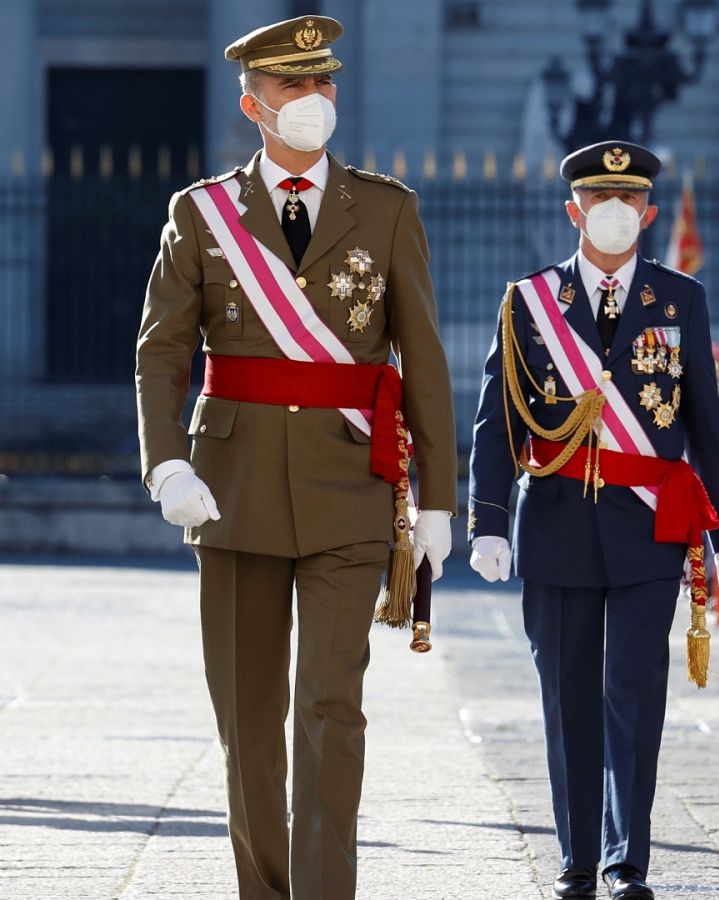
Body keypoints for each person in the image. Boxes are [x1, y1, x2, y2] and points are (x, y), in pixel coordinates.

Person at [133, 16, 455, 900]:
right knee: (248, 719)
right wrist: (167, 465)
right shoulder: (201, 214)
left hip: (350, 490)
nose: (314, 101)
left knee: (329, 709)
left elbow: (422, 358)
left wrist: (438, 500)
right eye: (292, 87)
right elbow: (162, 351)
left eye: (324, 85)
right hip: (230, 493)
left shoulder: (386, 209)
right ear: (253, 105)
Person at [466, 140, 719, 900]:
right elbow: (496, 421)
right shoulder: (528, 302)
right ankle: (576, 858)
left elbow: (705, 423)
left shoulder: (677, 297)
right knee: (567, 695)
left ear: (649, 213)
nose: (615, 214)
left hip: (647, 526)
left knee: (634, 689)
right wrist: (487, 520)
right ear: (574, 211)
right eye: (600, 201)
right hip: (556, 520)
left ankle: (628, 862)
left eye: (629, 202)